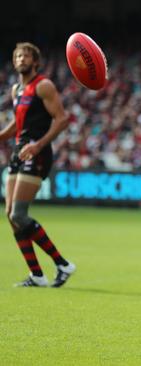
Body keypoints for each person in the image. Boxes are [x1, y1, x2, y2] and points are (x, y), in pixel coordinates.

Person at [1, 42, 75, 287]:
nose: (21, 58)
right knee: (10, 216)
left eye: (26, 55)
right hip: (19, 152)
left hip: (37, 153)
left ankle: (63, 264)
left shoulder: (43, 85)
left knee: (18, 213)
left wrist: (38, 145)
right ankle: (37, 275)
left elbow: (62, 120)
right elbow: (18, 124)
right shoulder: (16, 90)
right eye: (18, 55)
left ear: (36, 62)